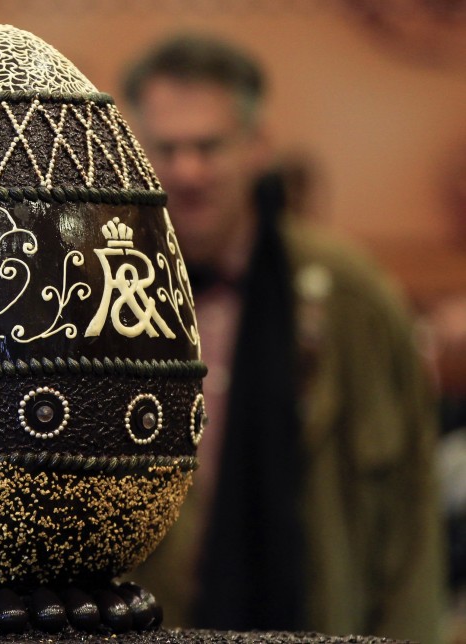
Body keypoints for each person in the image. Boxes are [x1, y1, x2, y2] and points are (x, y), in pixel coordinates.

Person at [121, 34, 445, 642]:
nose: (187, 171)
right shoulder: (96, 299)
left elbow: (409, 522)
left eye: (209, 146)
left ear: (256, 147)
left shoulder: (353, 299)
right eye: (167, 148)